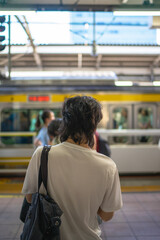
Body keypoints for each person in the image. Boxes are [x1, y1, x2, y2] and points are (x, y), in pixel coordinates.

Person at [22, 95, 123, 240]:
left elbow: (30, 198)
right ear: (93, 127)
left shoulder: (42, 155)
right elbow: (107, 215)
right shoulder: (108, 166)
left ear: (65, 122)